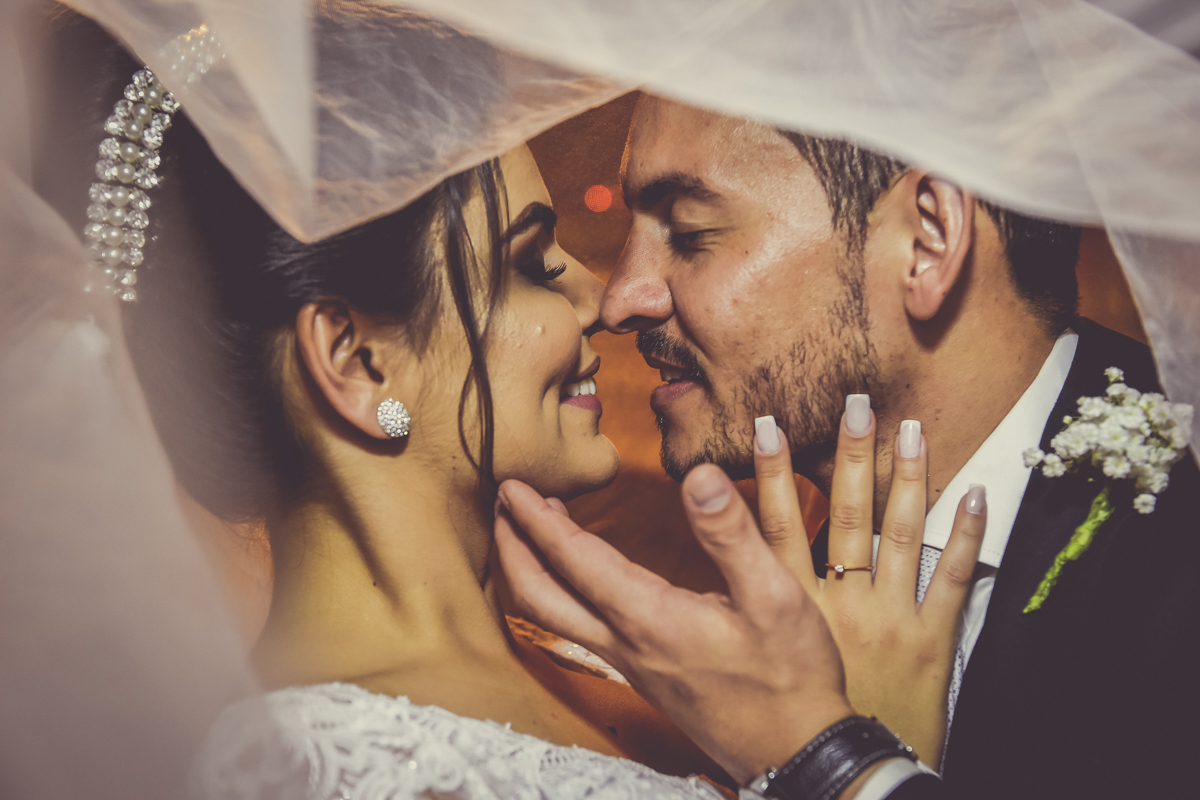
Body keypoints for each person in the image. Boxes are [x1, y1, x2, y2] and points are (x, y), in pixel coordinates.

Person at [36, 9, 989, 800]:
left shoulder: (652, 669)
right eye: (532, 264)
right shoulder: (313, 766)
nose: (601, 299)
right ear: (357, 362)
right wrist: (860, 757)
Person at [498, 95, 1200, 800]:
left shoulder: (1177, 550)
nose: (620, 300)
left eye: (689, 231)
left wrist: (837, 759)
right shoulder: (797, 600)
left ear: (928, 239)